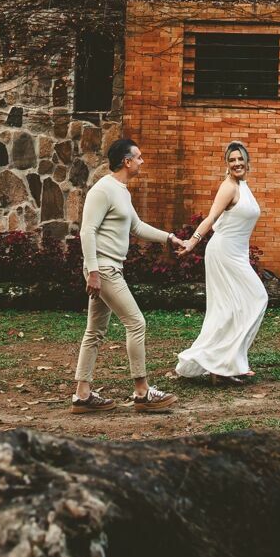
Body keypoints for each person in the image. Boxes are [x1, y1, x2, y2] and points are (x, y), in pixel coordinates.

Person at [71, 137, 186, 413]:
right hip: (104, 269)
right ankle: (142, 392)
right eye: (139, 157)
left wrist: (169, 238)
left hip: (109, 267)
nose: (142, 161)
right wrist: (93, 271)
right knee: (136, 323)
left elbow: (137, 226)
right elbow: (87, 231)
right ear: (126, 161)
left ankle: (82, 395)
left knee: (95, 331)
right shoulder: (103, 190)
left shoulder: (122, 191)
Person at [173, 139, 268, 384]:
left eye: (240, 159)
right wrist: (192, 242)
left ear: (247, 161)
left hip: (237, 253)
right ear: (227, 164)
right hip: (223, 252)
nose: (236, 163)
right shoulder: (228, 187)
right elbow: (211, 218)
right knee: (252, 299)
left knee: (235, 307)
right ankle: (222, 363)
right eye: (231, 160)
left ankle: (224, 366)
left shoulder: (243, 186)